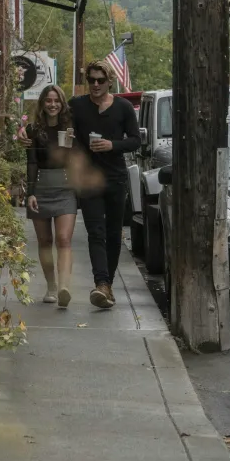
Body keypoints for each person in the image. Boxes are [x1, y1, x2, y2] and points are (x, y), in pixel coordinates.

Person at [68, 60, 140, 309]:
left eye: (100, 80)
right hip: (88, 179)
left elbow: (135, 141)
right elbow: (59, 126)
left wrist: (112, 145)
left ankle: (106, 285)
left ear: (110, 80)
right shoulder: (77, 106)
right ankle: (101, 284)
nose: (95, 85)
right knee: (95, 232)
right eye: (91, 80)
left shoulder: (123, 107)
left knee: (113, 234)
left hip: (115, 178)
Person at [24, 85, 78, 307]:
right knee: (45, 241)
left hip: (65, 187)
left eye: (56, 100)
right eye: (48, 100)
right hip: (41, 187)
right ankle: (51, 287)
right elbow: (32, 161)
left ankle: (64, 287)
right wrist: (30, 193)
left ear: (62, 103)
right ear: (42, 103)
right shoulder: (33, 130)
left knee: (64, 239)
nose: (53, 104)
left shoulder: (72, 127)